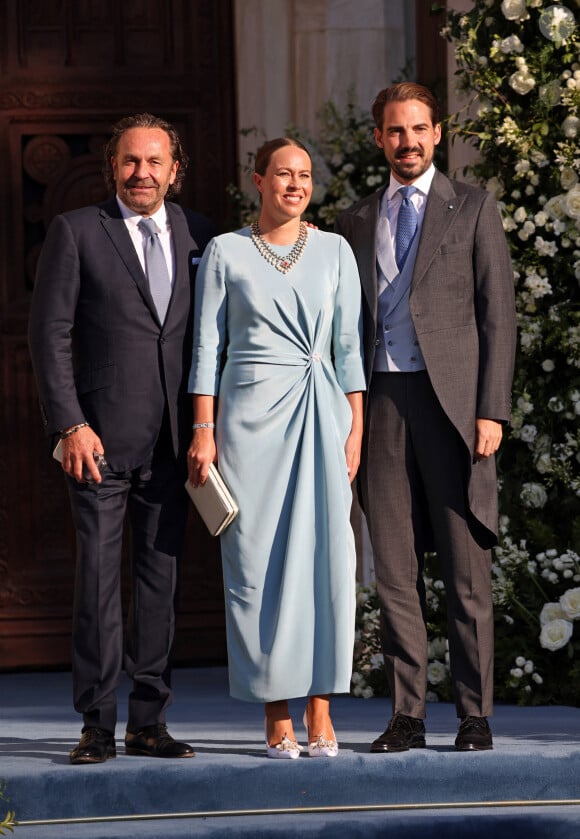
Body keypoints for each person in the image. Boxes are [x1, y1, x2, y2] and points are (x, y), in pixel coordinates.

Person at [28, 113, 215, 765]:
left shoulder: (202, 236)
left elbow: (210, 341)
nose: (142, 173)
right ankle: (97, 724)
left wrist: (207, 426)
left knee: (159, 583)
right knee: (99, 585)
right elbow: (49, 334)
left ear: (174, 169)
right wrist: (69, 422)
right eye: (131, 161)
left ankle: (148, 721)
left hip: (176, 444)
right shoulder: (77, 232)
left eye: (155, 162)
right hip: (98, 443)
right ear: (113, 167)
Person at [335, 82, 516, 753]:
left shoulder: (472, 206)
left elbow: (499, 314)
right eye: (393, 131)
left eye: (417, 129)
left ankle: (474, 713)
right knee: (394, 568)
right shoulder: (354, 220)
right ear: (379, 138)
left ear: (437, 133)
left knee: (467, 572)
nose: (406, 142)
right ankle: (407, 714)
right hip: (380, 402)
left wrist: (491, 408)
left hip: (454, 409)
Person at [187, 137, 365, 758]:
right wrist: (203, 430)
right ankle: (276, 714)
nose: (295, 184)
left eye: (305, 175)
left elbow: (350, 348)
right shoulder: (225, 252)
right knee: (256, 565)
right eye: (283, 174)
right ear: (257, 181)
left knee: (326, 559)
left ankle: (322, 711)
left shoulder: (337, 250)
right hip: (247, 422)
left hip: (323, 414)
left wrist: (356, 427)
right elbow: (207, 347)